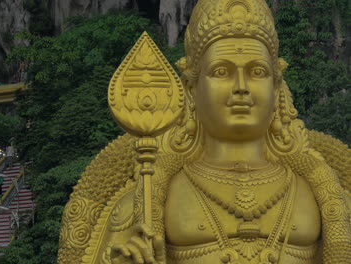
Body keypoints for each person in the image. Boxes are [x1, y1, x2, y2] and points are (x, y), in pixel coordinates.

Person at [57, 0, 351, 263]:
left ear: (276, 88)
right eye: (221, 72)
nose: (241, 87)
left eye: (257, 72)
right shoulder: (143, 202)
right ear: (190, 88)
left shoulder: (323, 192)